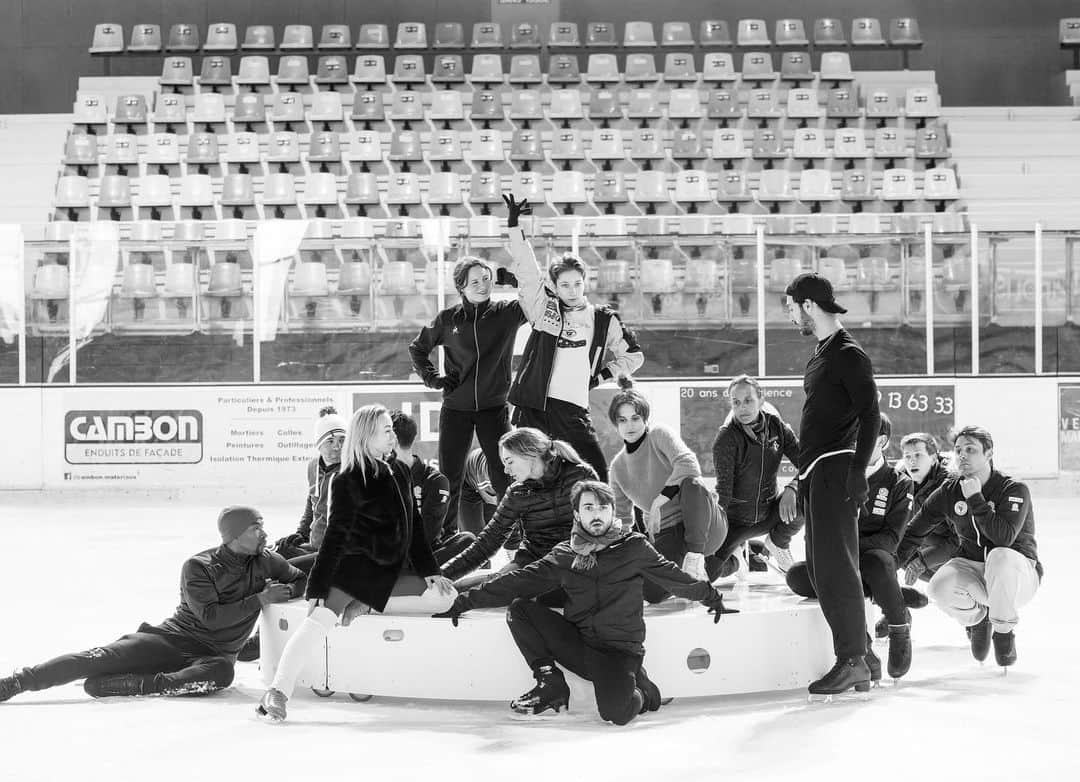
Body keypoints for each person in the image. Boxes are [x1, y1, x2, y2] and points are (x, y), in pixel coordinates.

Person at [433, 480, 737, 724]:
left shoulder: (633, 547)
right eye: (588, 507)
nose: (595, 514)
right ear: (577, 514)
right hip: (579, 643)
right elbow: (520, 580)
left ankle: (647, 692)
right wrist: (464, 602)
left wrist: (712, 597)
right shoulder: (566, 553)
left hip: (619, 651)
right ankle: (549, 682)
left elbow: (673, 577)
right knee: (520, 609)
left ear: (612, 513)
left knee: (616, 715)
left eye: (602, 507)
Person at [257, 405, 457, 722]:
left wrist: (430, 571)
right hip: (351, 571)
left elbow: (416, 527)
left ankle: (366, 603)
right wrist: (318, 586)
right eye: (386, 430)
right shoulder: (348, 478)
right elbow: (336, 535)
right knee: (316, 623)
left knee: (447, 597)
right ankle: (277, 693)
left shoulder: (400, 471)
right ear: (367, 436)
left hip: (387, 574)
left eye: (392, 429)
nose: (393, 436)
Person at [0, 507, 303, 703]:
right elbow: (211, 618)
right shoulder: (199, 566)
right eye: (256, 528)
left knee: (223, 673)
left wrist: (286, 589)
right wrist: (261, 598)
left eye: (262, 526)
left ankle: (129, 685)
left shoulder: (266, 560)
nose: (265, 533)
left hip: (214, 656)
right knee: (96, 658)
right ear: (235, 535)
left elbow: (301, 579)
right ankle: (16, 683)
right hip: (168, 640)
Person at [785, 271, 881, 698]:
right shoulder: (823, 352)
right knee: (828, 570)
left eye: (791, 308)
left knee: (837, 569)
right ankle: (866, 654)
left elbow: (871, 414)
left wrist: (859, 470)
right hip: (817, 473)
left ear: (808, 305)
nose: (791, 317)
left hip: (836, 471)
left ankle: (852, 662)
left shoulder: (847, 353)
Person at [502, 194, 644, 482]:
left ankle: (602, 525)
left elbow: (634, 356)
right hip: (533, 407)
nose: (572, 290)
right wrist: (515, 227)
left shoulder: (602, 318)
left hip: (572, 408)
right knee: (527, 476)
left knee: (593, 474)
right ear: (554, 285)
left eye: (577, 283)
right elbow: (528, 272)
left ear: (585, 282)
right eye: (565, 284)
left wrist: (599, 376)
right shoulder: (543, 309)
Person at [897, 426, 1042, 671]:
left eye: (971, 450)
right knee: (938, 587)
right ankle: (978, 619)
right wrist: (890, 564)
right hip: (975, 569)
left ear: (989, 454)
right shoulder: (950, 490)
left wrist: (976, 499)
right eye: (958, 450)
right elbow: (914, 530)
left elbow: (1003, 538)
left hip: (1017, 575)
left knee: (999, 556)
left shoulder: (1013, 489)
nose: (962, 455)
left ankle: (1004, 632)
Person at [786, 412, 914, 682]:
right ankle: (864, 646)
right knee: (798, 576)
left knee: (878, 563)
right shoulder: (836, 477)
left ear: (881, 441)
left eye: (860, 437)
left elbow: (891, 539)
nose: (853, 443)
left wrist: (845, 548)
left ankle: (899, 624)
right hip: (840, 560)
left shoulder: (899, 482)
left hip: (871, 559)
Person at [408, 254, 525, 535]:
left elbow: (541, 298)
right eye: (475, 281)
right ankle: (447, 536)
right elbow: (418, 348)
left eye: (486, 279)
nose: (483, 285)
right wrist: (433, 379)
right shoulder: (448, 319)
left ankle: (512, 540)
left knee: (503, 474)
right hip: (456, 409)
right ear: (461, 287)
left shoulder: (506, 313)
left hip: (493, 409)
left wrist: (517, 281)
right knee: (449, 477)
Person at [606, 377, 728, 602]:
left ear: (645, 418)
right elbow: (623, 519)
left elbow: (689, 464)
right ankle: (725, 563)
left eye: (635, 418)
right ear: (616, 424)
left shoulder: (658, 435)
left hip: (703, 522)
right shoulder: (617, 468)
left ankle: (697, 557)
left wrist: (658, 501)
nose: (630, 425)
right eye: (622, 420)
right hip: (668, 533)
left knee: (692, 484)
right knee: (650, 593)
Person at [441, 427, 597, 591]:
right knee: (482, 588)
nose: (506, 470)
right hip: (532, 563)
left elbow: (601, 525)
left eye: (509, 462)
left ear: (530, 454)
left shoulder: (581, 476)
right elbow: (487, 543)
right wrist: (442, 575)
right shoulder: (517, 493)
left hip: (576, 559)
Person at [711, 374, 803, 574]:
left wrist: (793, 488)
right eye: (736, 402)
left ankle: (778, 542)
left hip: (770, 514)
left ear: (761, 399)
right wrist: (713, 530)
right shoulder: (726, 439)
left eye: (748, 400)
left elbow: (807, 464)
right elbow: (723, 491)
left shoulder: (777, 427)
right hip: (736, 524)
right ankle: (738, 558)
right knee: (709, 572)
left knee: (809, 490)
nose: (742, 407)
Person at [869, 431, 951, 638]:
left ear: (933, 458)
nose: (912, 461)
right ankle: (896, 611)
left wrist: (923, 561)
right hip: (919, 551)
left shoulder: (950, 486)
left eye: (918, 455)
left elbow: (960, 541)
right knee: (880, 557)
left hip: (954, 557)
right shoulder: (899, 481)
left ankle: (977, 618)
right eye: (907, 456)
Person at [390, 410, 475, 565]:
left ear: (392, 441)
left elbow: (427, 535)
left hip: (422, 556)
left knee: (468, 540)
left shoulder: (435, 480)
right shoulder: (378, 475)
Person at [272, 406, 347, 572]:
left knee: (278, 567)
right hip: (315, 545)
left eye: (342, 440)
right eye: (330, 441)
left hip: (338, 552)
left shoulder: (350, 470)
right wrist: (301, 533)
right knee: (276, 551)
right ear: (319, 443)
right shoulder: (313, 466)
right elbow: (312, 502)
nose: (337, 447)